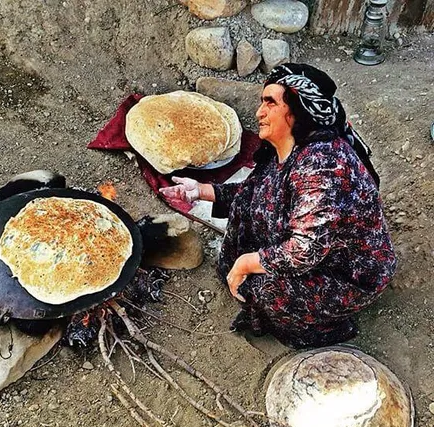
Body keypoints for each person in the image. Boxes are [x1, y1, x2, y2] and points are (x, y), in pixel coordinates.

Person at [160, 63, 397, 348]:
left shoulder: (322, 164)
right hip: (319, 252)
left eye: (270, 103)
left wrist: (247, 263)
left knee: (265, 291)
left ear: (298, 110)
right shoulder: (289, 149)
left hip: (348, 274)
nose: (259, 112)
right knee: (249, 250)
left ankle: (327, 330)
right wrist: (198, 191)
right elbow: (257, 195)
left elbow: (305, 250)